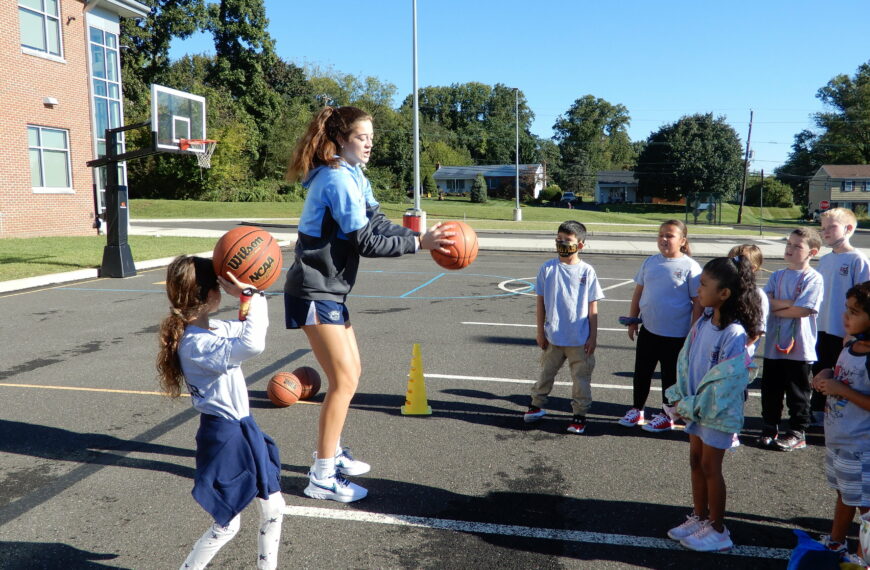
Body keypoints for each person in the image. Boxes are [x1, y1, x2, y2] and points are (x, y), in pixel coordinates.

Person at [283, 106, 453, 503]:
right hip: (313, 290)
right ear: (341, 139)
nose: (369, 144)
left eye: (371, 138)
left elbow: (377, 223)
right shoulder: (336, 179)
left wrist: (419, 237)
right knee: (344, 381)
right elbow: (367, 242)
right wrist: (419, 243)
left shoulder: (355, 174)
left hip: (330, 290)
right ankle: (322, 476)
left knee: (351, 374)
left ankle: (332, 451)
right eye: (362, 137)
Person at [156, 256, 285, 570]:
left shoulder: (210, 329)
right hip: (225, 436)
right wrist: (250, 296)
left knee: (274, 508)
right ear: (208, 294)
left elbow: (246, 329)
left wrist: (250, 298)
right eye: (218, 284)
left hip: (241, 428)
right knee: (228, 524)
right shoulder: (196, 345)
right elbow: (252, 345)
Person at [665, 256, 761, 552]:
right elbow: (686, 361)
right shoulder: (704, 321)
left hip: (716, 413)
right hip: (696, 407)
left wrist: (690, 404)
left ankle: (718, 529)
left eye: (704, 284)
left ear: (724, 293)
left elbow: (726, 383)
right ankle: (700, 516)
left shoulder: (734, 334)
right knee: (696, 461)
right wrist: (680, 395)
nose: (698, 289)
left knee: (710, 466)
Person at [618, 219, 702, 432]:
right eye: (661, 235)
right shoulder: (650, 262)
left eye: (670, 235)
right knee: (642, 373)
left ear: (682, 241)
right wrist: (633, 319)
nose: (664, 239)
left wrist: (693, 333)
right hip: (649, 330)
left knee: (670, 378)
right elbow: (638, 292)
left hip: (676, 336)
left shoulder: (690, 267)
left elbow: (698, 303)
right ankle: (637, 409)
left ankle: (668, 415)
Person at [522, 220, 604, 434]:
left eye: (567, 240)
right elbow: (540, 302)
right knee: (545, 374)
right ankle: (536, 405)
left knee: (581, 380)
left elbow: (592, 307)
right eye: (558, 239)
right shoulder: (548, 268)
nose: (561, 243)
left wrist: (593, 337)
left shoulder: (587, 271)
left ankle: (579, 415)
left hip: (579, 339)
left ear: (580, 245)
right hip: (553, 337)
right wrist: (540, 331)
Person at [812, 282, 870, 566]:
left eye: (855, 312)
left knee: (866, 507)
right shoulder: (850, 345)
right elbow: (839, 376)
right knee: (844, 495)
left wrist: (841, 389)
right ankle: (836, 541)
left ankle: (863, 558)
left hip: (861, 446)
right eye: (847, 309)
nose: (846, 316)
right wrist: (826, 375)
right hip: (839, 440)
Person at [759, 227, 824, 451]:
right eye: (789, 244)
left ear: (812, 252)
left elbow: (804, 310)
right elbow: (765, 303)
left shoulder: (813, 278)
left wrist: (779, 306)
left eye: (797, 246)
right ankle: (769, 427)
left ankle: (797, 431)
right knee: (771, 390)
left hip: (800, 347)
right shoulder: (777, 275)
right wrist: (790, 304)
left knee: (798, 393)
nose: (790, 249)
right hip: (774, 347)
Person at [810, 208, 870, 426]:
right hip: (821, 327)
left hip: (842, 331)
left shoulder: (857, 259)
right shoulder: (825, 260)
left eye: (831, 227)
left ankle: (837, 414)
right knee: (820, 369)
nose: (825, 232)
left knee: (840, 373)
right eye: (823, 228)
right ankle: (817, 411)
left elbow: (863, 300)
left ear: (848, 229)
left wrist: (851, 334)